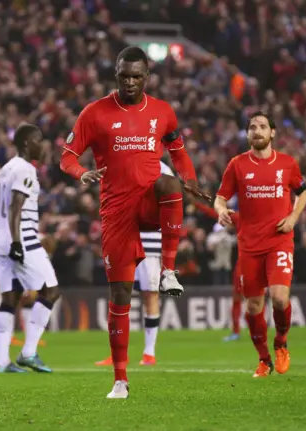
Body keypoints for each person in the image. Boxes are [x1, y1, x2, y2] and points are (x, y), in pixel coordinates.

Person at [60, 46, 206, 399]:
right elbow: (66, 157)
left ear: (147, 77)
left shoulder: (162, 111)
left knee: (170, 184)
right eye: (124, 75)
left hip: (149, 201)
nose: (130, 81)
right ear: (116, 73)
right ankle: (121, 379)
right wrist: (81, 173)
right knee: (120, 295)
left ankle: (168, 270)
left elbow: (178, 151)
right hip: (117, 212)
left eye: (136, 76)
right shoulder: (94, 114)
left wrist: (191, 179)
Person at [214, 112, 306, 378]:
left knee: (279, 298)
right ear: (247, 135)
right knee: (254, 306)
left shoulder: (288, 164)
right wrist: (221, 209)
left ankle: (281, 342)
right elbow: (220, 197)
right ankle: (264, 359)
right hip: (249, 244)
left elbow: (303, 193)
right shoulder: (237, 164)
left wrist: (293, 217)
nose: (257, 131)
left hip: (279, 240)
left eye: (263, 126)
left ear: (273, 132)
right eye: (252, 127)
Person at [0, 123, 60, 373]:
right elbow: (15, 208)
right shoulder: (25, 169)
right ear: (25, 144)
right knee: (51, 291)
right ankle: (29, 352)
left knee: (9, 298)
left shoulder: (6, 168)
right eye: (37, 140)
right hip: (20, 237)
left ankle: (2, 362)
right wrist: (17, 242)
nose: (42, 145)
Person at [95, 161, 175, 367]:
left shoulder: (162, 169)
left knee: (150, 295)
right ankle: (118, 353)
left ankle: (149, 352)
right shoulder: (123, 160)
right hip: (124, 236)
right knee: (118, 294)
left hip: (149, 240)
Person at [192, 200, 243, 341]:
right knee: (241, 298)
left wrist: (196, 204)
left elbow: (214, 213)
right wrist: (197, 204)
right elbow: (215, 213)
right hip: (246, 263)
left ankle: (242, 331)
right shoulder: (241, 217)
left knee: (250, 299)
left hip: (252, 263)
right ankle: (237, 331)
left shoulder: (242, 217)